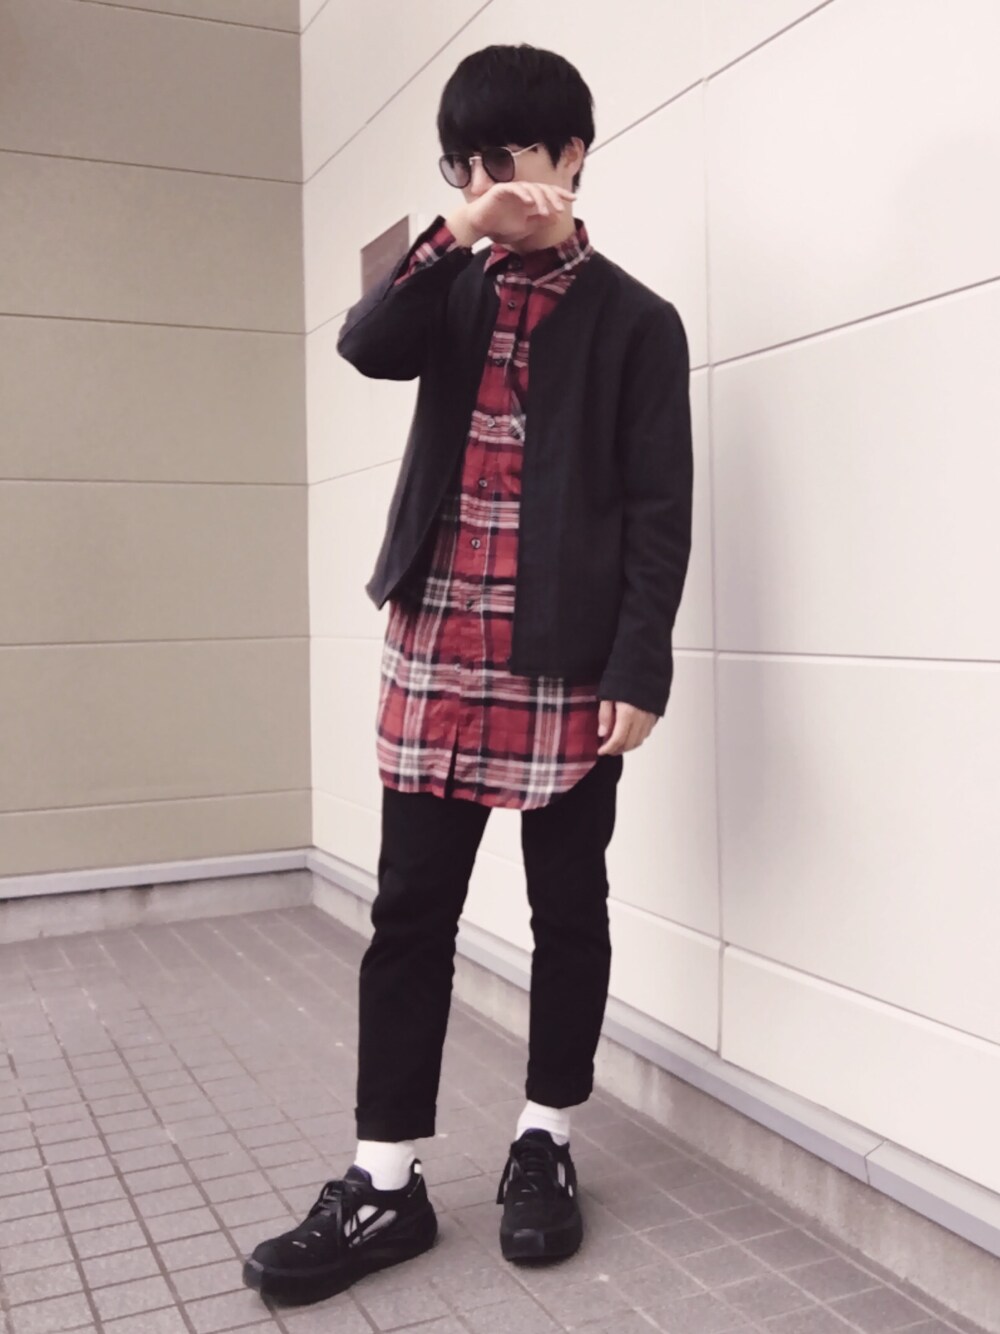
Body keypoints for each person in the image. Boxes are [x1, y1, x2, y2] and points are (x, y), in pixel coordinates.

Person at [243, 41, 693, 1307]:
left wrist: (639, 663)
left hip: (566, 664)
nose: (490, 181)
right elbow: (363, 343)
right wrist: (455, 228)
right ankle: (384, 1180)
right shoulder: (446, 282)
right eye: (465, 164)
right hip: (438, 646)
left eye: (510, 157)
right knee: (410, 916)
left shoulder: (638, 320)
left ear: (573, 155)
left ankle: (544, 1140)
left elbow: (659, 511)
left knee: (569, 911)